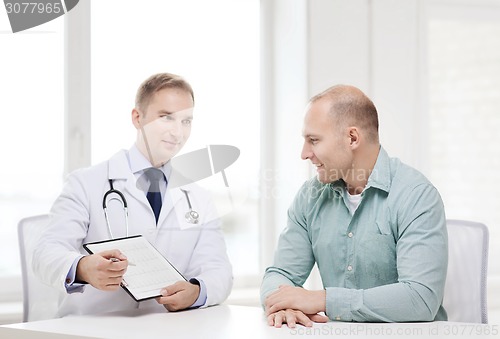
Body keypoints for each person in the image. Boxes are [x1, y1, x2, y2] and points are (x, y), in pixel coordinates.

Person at [33, 72, 233, 316]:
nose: (177, 133)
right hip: (92, 328)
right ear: (137, 118)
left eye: (186, 121)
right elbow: (45, 253)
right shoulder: (85, 183)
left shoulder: (198, 197)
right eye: (166, 117)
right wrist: (83, 268)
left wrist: (196, 291)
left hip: (165, 329)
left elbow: (219, 270)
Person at [261, 85, 448, 327]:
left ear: (352, 138)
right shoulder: (310, 196)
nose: (304, 153)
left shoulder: (416, 196)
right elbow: (280, 274)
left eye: (314, 140)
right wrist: (283, 305)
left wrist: (323, 300)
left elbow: (421, 299)